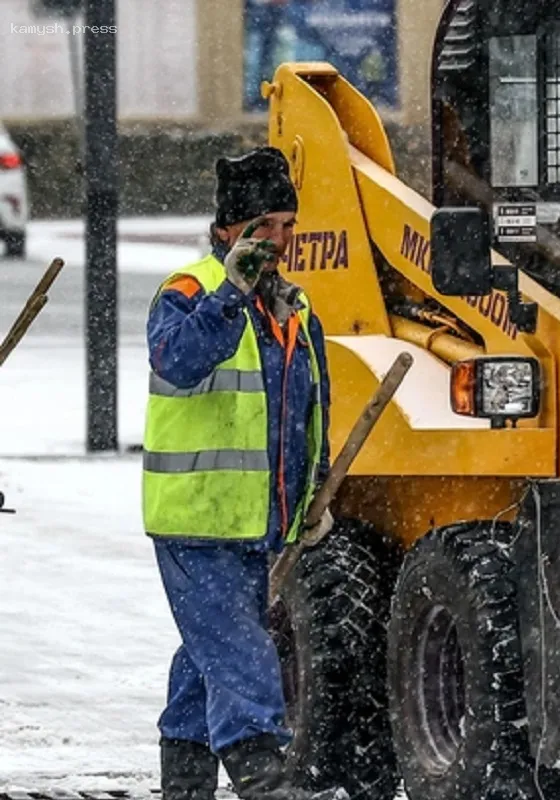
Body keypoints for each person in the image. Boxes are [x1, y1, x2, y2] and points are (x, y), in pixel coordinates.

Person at [142, 146, 344, 800]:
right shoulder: (191, 291)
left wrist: (312, 495)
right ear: (229, 229)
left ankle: (186, 783)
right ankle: (265, 779)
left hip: (261, 521)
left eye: (288, 226)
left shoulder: (293, 307)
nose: (280, 241)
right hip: (196, 519)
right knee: (241, 653)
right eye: (265, 227)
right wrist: (230, 292)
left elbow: (309, 407)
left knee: (207, 662)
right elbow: (178, 361)